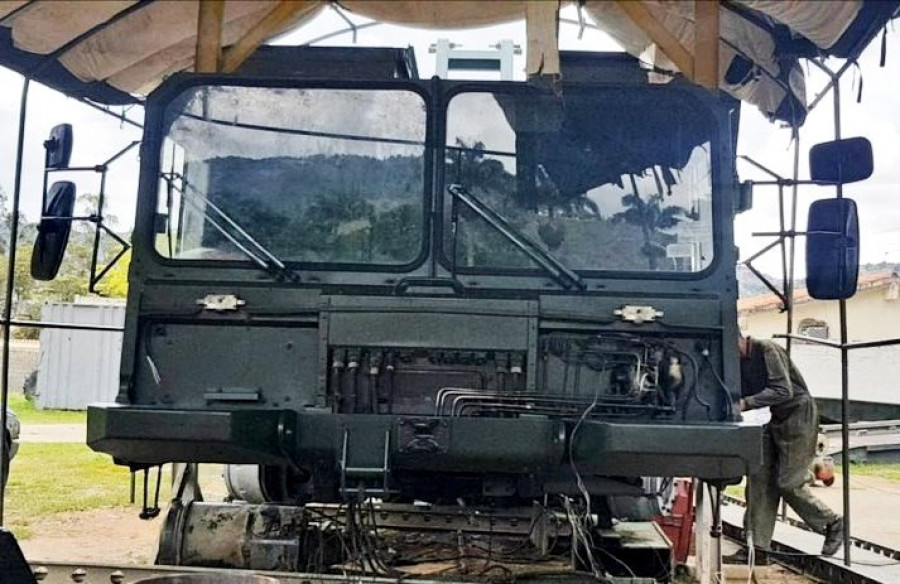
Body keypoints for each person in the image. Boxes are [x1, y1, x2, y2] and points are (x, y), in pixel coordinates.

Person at [728, 335, 844, 564]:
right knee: (759, 480)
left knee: (789, 482)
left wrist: (744, 403)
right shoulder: (739, 363)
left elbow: (783, 391)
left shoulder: (767, 349)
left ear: (737, 338)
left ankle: (831, 522)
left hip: (798, 416)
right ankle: (757, 549)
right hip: (775, 418)